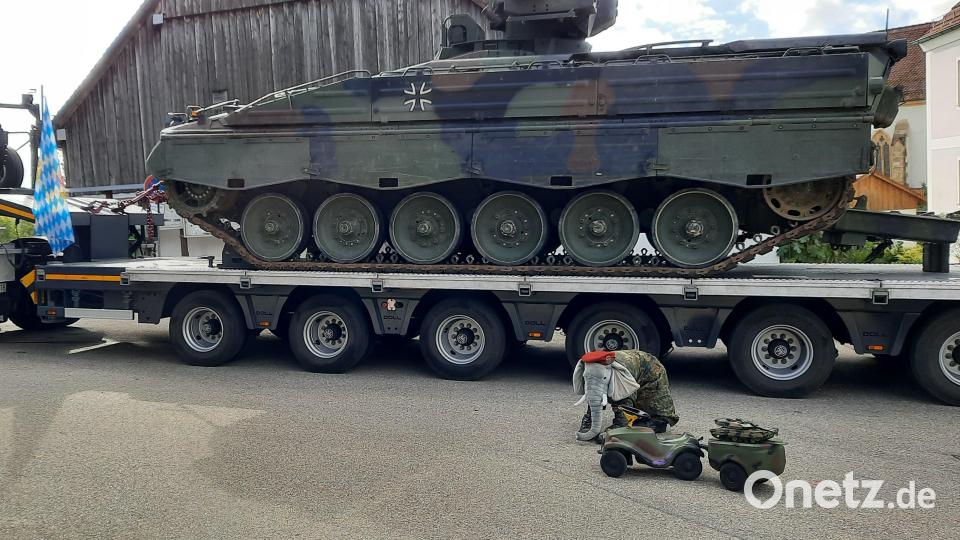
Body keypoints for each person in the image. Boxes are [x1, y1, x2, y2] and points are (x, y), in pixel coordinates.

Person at [576, 349, 679, 435]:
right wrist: (589, 422)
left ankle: (656, 422)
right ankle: (589, 421)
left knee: (650, 406)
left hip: (649, 372)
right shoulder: (592, 366)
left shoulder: (619, 373)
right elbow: (594, 393)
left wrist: (618, 427)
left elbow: (624, 400)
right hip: (613, 373)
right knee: (596, 392)